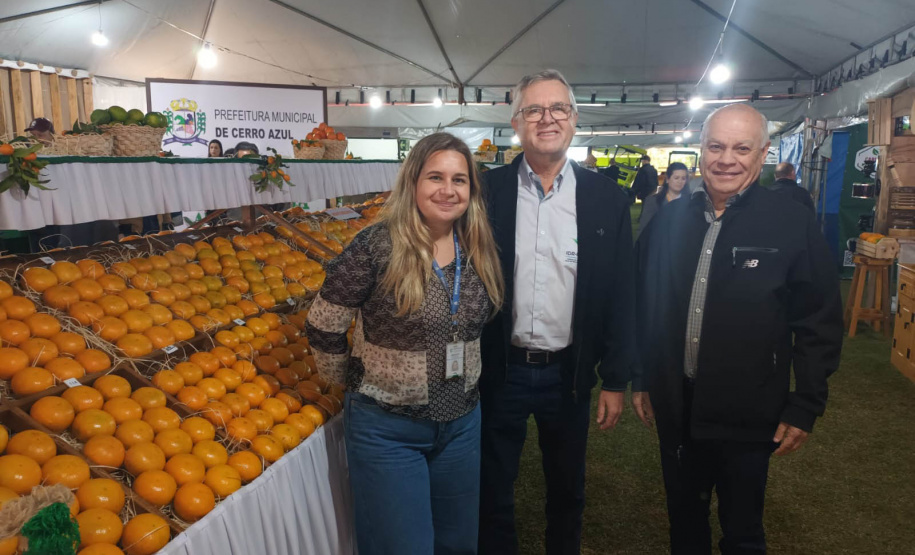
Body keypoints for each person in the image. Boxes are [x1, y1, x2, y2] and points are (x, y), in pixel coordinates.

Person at [633, 104, 844, 555]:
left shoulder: (790, 222)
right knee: (684, 521)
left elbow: (818, 319)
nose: (726, 159)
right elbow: (645, 304)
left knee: (743, 531)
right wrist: (642, 377)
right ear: (701, 150)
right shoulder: (668, 222)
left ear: (763, 153)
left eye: (741, 148)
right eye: (716, 146)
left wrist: (805, 404)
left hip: (749, 411)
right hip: (678, 405)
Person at [306, 132, 504, 555]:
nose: (448, 190)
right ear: (413, 181)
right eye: (435, 177)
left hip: (461, 426)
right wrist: (352, 381)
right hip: (387, 431)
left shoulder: (478, 247)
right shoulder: (376, 245)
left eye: (460, 179)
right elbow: (324, 324)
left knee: (458, 545)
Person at [478, 69, 636, 555]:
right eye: (534, 110)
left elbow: (619, 293)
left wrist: (614, 378)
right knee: (491, 488)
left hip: (568, 373)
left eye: (558, 109)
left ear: (574, 119)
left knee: (567, 488)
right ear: (516, 122)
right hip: (499, 369)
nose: (547, 118)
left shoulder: (606, 198)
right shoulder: (486, 193)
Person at [638, 162, 689, 236]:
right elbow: (643, 230)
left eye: (683, 178)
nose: (680, 181)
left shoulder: (691, 202)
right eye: (676, 178)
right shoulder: (653, 201)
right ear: (667, 179)